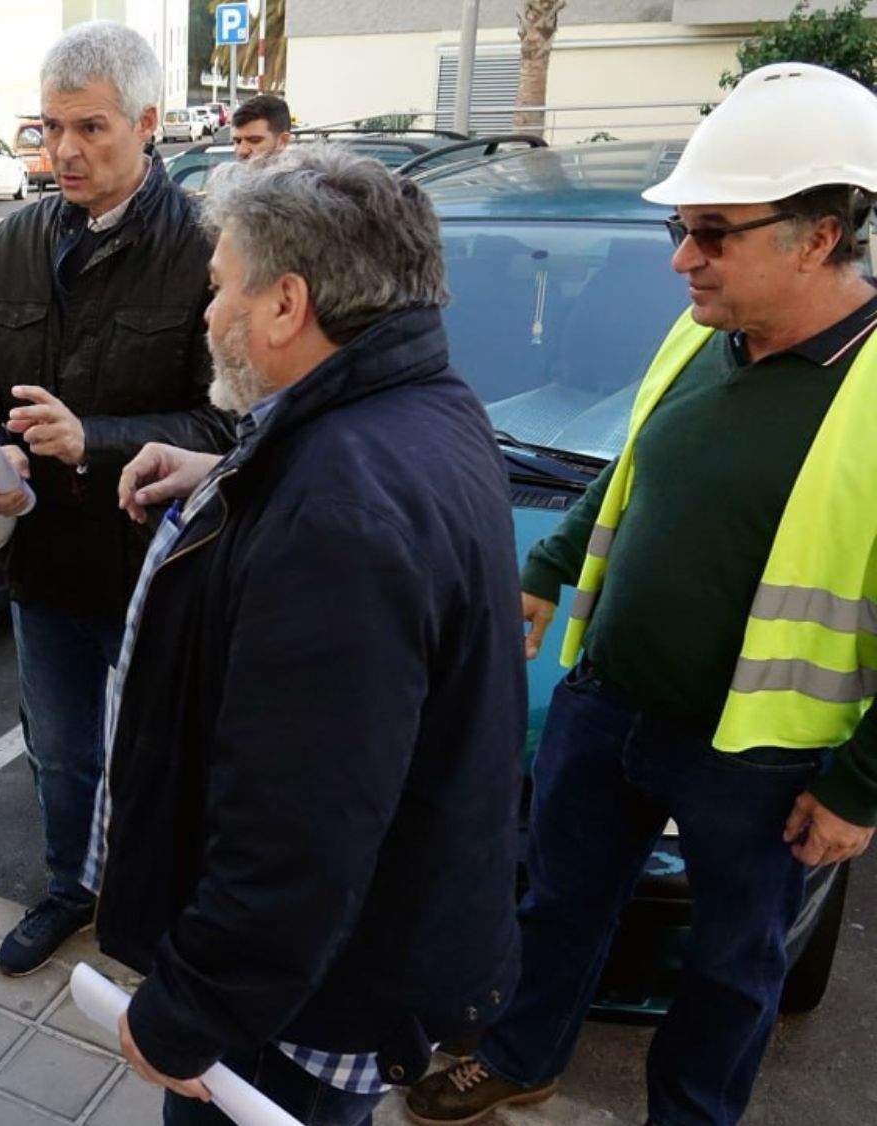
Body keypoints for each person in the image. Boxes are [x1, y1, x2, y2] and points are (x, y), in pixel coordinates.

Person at [408, 62, 877, 1126]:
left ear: (814, 236)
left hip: (755, 756)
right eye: (680, 228)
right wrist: (544, 567)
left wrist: (859, 785)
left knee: (728, 966)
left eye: (712, 231)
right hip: (606, 700)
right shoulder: (700, 334)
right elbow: (630, 474)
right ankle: (521, 1054)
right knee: (559, 902)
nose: (681, 257)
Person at [88, 144, 522, 1126]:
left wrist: (186, 1008)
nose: (207, 314)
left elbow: (296, 829)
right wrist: (222, 475)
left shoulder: (337, 516)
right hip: (358, 959)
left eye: (219, 287)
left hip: (289, 1011)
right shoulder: (420, 411)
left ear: (284, 305)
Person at [0, 20, 231, 976]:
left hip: (160, 562)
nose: (63, 150)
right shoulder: (12, 242)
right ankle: (70, 885)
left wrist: (93, 441)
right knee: (60, 751)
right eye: (49, 126)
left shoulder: (206, 250)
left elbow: (234, 427)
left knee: (161, 757)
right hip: (45, 562)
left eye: (91, 128)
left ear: (149, 124)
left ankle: (154, 911)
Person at [229, 94, 292, 162]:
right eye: (238, 141)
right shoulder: (228, 171)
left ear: (283, 141)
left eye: (254, 140)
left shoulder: (301, 171)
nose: (242, 151)